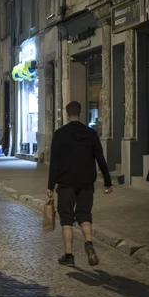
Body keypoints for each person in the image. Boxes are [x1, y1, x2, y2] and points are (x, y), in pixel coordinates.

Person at [47, 101, 113, 267]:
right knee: (84, 215)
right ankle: (89, 244)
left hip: (66, 183)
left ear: (67, 114)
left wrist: (50, 186)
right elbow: (101, 159)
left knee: (67, 220)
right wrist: (107, 182)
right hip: (86, 183)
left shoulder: (60, 134)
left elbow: (54, 162)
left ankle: (69, 255)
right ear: (81, 113)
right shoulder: (91, 134)